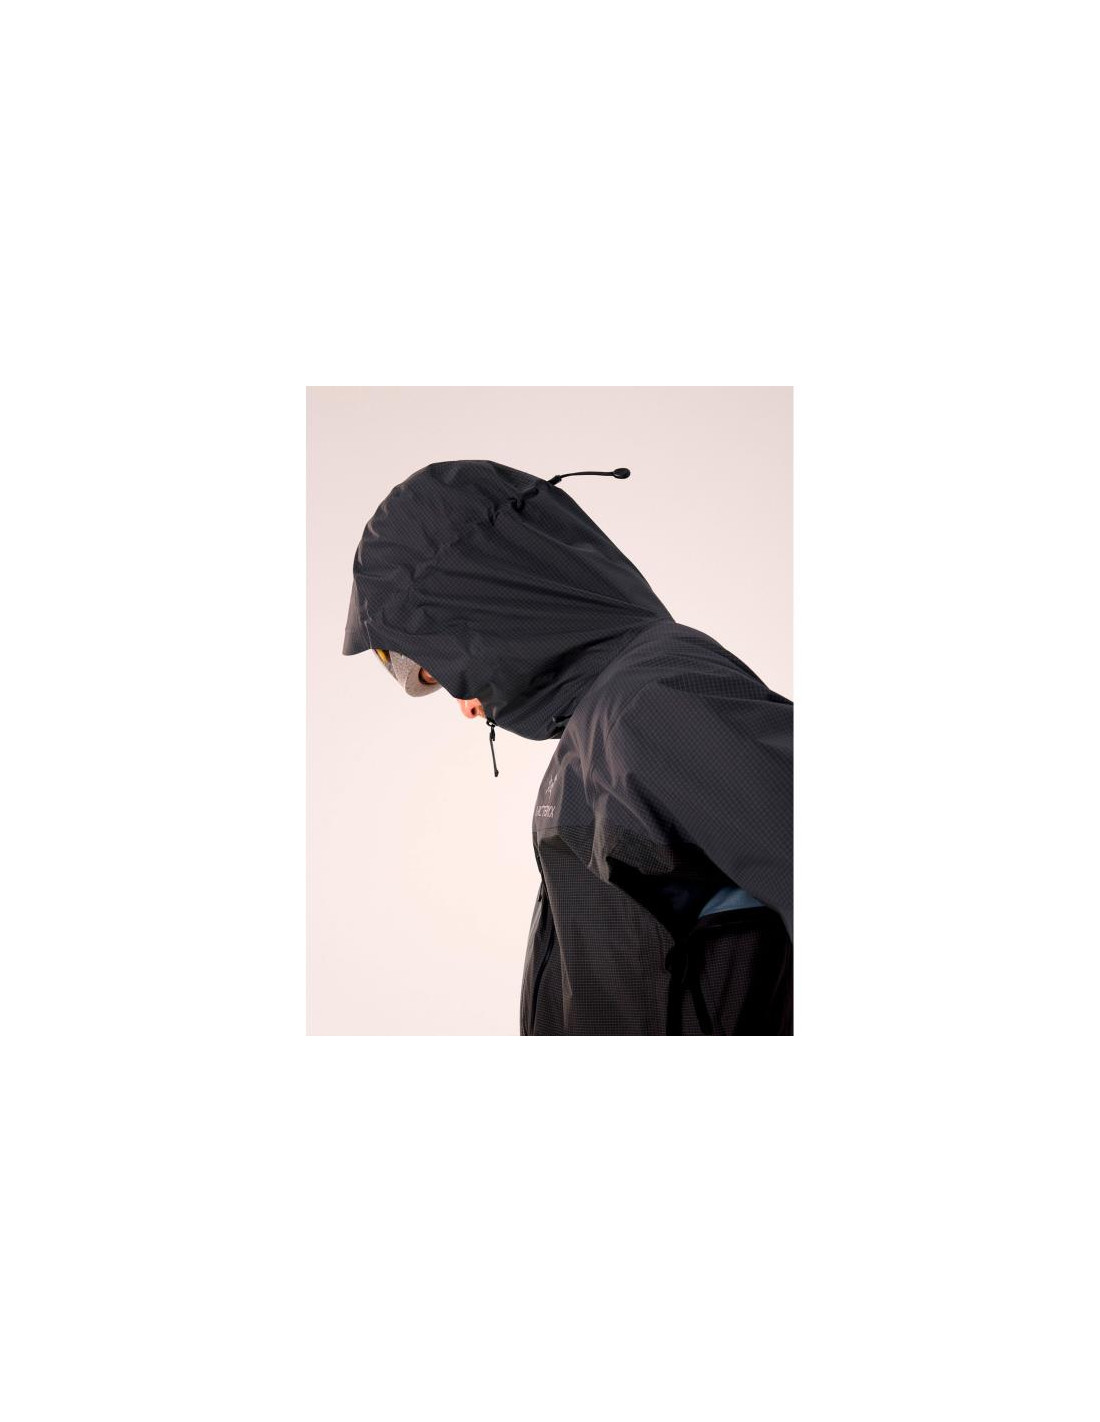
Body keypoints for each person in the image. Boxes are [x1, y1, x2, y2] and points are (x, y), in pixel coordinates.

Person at [343, 460, 792, 1035]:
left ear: (485, 615)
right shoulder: (599, 732)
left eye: (443, 670)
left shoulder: (650, 702)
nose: (464, 704)